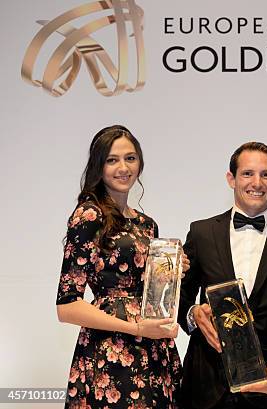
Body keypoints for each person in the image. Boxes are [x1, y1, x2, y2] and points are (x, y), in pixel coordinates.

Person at [178, 141, 267, 409]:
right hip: (205, 384)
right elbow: (179, 296)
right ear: (231, 179)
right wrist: (193, 314)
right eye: (247, 173)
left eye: (265, 175)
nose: (257, 182)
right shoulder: (201, 232)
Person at [56, 125, 184, 408]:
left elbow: (152, 291)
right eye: (112, 160)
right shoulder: (89, 216)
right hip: (110, 355)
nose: (123, 167)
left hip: (153, 349)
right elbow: (66, 306)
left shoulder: (147, 224)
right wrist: (135, 326)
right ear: (98, 166)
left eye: (130, 158)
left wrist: (173, 269)